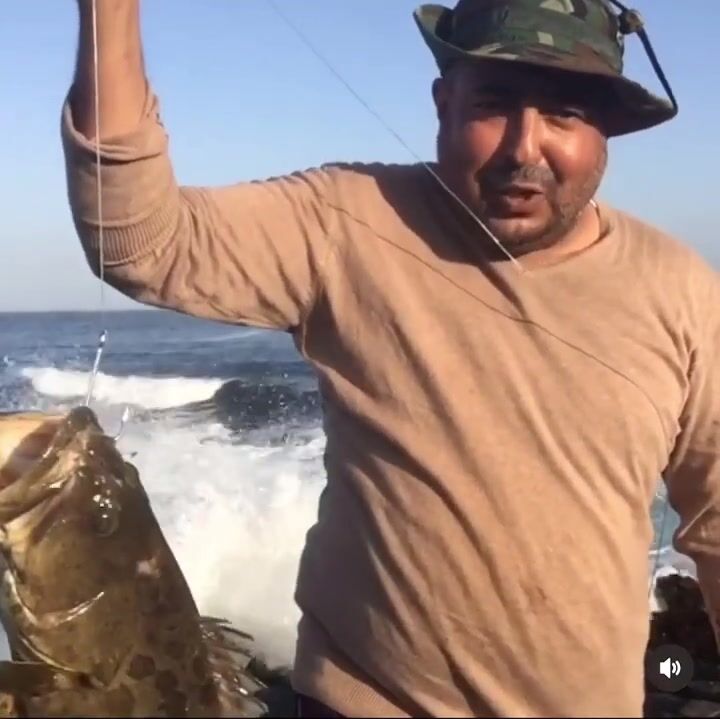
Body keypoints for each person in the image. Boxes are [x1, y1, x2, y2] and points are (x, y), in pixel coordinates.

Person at [62, 0, 719, 716]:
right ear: (443, 103)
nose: (524, 148)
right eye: (493, 104)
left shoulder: (682, 290)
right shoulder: (346, 221)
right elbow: (141, 241)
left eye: (563, 114)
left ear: (604, 131)